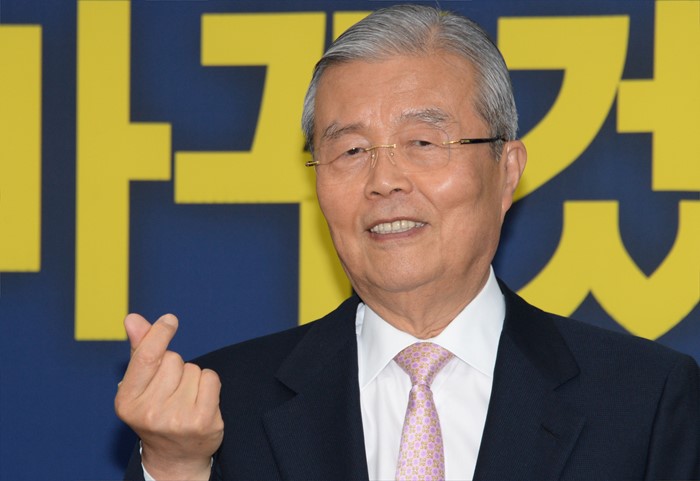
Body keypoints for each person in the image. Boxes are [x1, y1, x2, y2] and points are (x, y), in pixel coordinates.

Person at [115, 5, 700, 480]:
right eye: (351, 150)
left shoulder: (645, 401)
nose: (385, 180)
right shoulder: (223, 407)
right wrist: (175, 468)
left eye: (423, 142)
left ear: (507, 171)